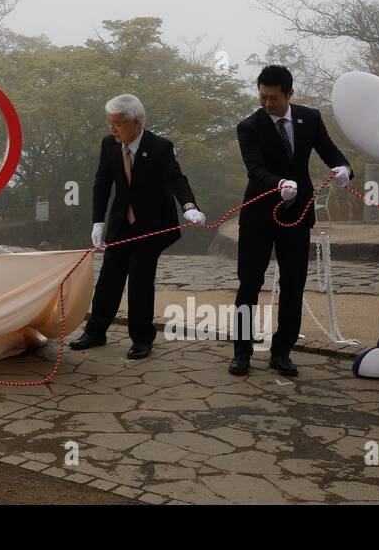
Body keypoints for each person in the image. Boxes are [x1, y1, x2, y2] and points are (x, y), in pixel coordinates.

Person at [230, 65, 351, 378]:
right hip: (259, 215)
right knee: (249, 283)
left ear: (289, 94)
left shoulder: (309, 118)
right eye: (263, 97)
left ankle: (281, 352)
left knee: (293, 283)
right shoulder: (249, 126)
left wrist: (343, 168)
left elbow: (329, 150)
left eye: (274, 98)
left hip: (298, 214)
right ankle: (241, 352)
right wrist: (279, 184)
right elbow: (254, 169)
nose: (267, 103)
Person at [70, 94, 205, 359]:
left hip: (151, 225)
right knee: (109, 278)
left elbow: (177, 179)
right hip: (121, 223)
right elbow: (102, 184)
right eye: (111, 122)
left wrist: (190, 207)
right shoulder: (110, 145)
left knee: (140, 279)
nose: (113, 128)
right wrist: (98, 222)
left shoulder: (160, 147)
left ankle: (142, 338)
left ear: (137, 122)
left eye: (118, 123)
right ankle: (95, 332)